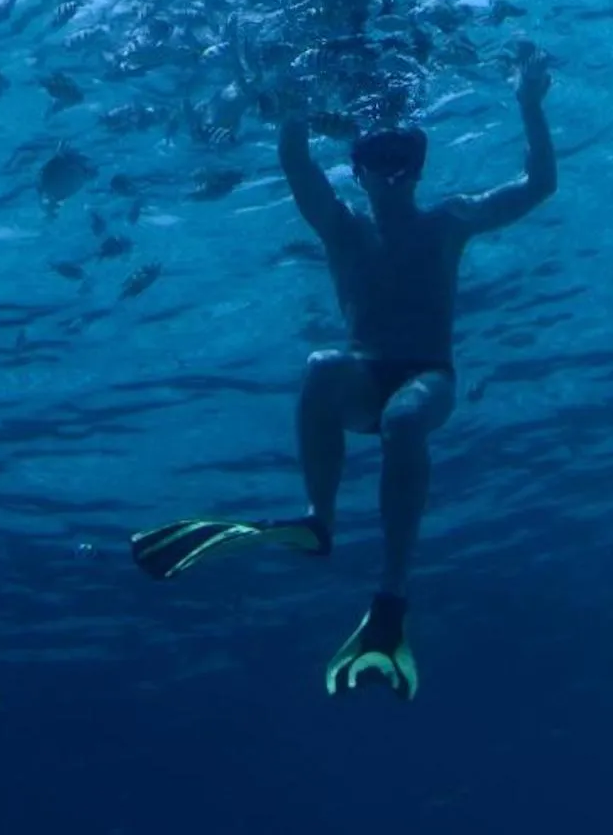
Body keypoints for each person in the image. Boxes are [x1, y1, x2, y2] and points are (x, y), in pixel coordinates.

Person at [128, 47, 559, 699]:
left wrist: (529, 104)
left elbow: (538, 185)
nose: (391, 171)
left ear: (419, 168)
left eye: (403, 158)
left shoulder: (449, 222)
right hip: (362, 375)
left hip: (428, 377)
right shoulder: (341, 228)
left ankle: (391, 595)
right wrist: (292, 104)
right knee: (322, 365)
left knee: (404, 419)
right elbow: (297, 164)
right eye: (378, 159)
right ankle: (317, 520)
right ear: (357, 171)